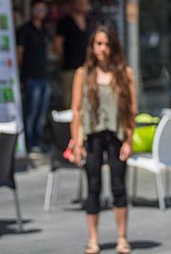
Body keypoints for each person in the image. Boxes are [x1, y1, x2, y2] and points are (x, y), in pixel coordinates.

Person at [69, 25, 137, 254]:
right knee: (93, 187)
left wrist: (129, 140)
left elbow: (130, 110)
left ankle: (122, 237)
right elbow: (76, 110)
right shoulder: (83, 74)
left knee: (119, 186)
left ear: (113, 46)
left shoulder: (124, 73)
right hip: (92, 136)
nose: (102, 49)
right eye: (98, 44)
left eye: (107, 44)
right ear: (92, 47)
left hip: (116, 135)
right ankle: (93, 239)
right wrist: (76, 142)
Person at [16, 0, 51, 153]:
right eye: (37, 9)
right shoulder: (25, 30)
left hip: (44, 76)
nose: (40, 13)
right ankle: (28, 142)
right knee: (30, 112)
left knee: (41, 113)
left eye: (43, 10)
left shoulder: (44, 30)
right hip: (31, 76)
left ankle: (38, 140)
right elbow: (19, 52)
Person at [55, 0, 92, 110]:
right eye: (79, 3)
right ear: (73, 4)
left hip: (86, 67)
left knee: (86, 101)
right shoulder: (64, 22)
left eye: (84, 3)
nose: (82, 6)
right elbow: (58, 43)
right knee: (70, 102)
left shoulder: (89, 21)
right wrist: (63, 59)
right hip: (70, 68)